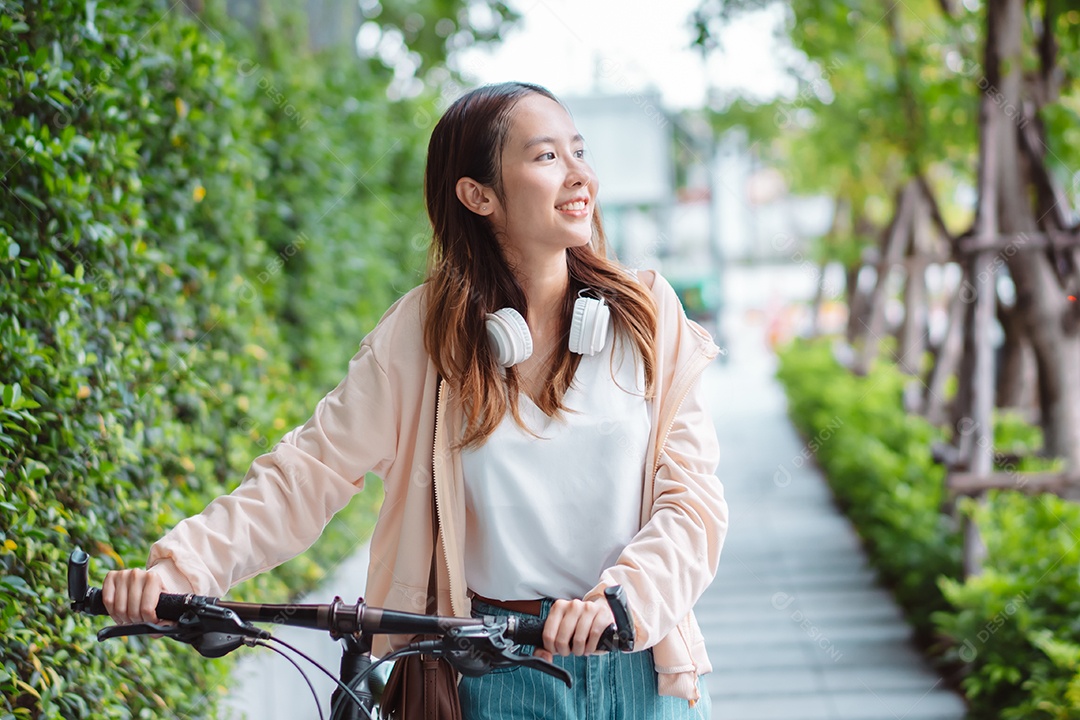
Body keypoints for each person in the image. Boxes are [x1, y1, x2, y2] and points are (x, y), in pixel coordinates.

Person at [103, 81, 728, 718]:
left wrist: (622, 600)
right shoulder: (425, 337)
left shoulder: (645, 317)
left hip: (643, 671)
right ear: (478, 194)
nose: (580, 176)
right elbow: (308, 472)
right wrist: (182, 569)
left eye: (579, 151)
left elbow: (694, 501)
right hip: (497, 679)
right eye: (546, 158)